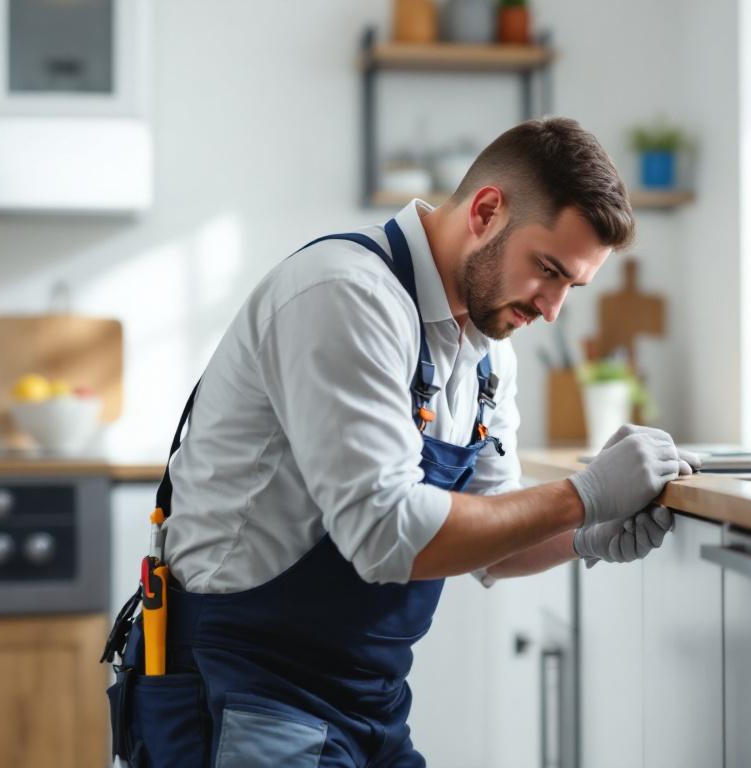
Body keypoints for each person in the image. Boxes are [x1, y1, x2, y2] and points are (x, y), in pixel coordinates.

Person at [103, 116, 698, 768]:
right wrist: (582, 498)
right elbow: (384, 534)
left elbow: (491, 542)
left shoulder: (485, 352)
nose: (552, 309)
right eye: (548, 270)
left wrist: (588, 536)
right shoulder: (346, 296)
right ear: (487, 210)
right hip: (246, 689)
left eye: (570, 287)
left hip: (368, 702)